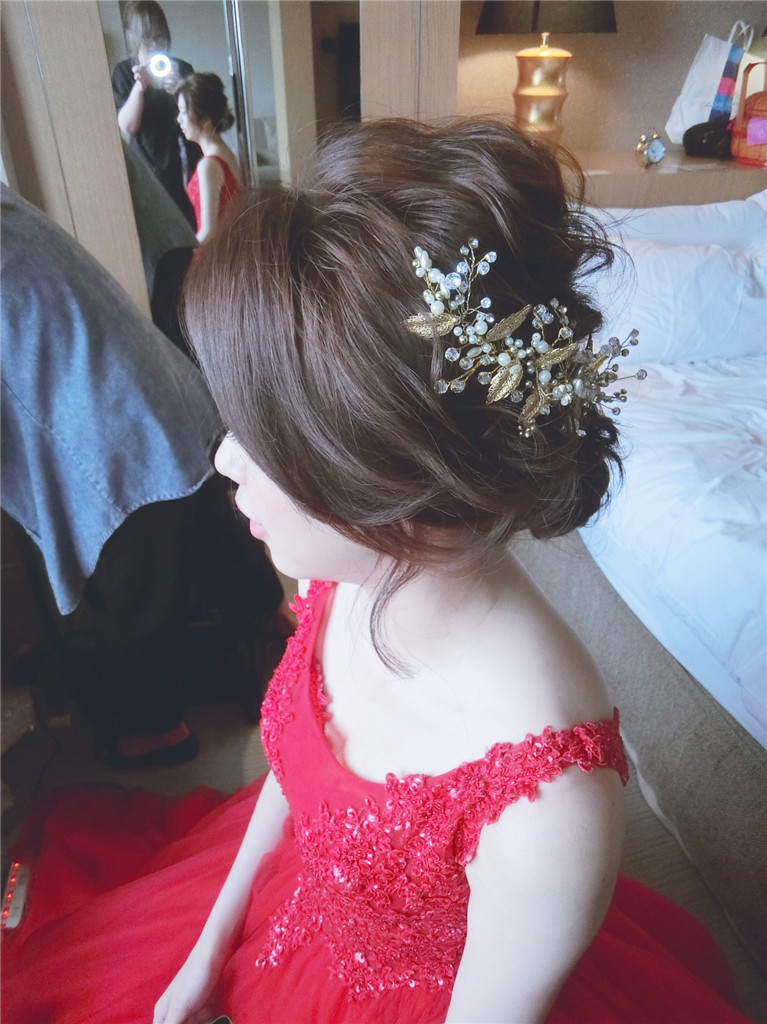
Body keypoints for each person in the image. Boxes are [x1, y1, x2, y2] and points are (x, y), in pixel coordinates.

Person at [1, 121, 750, 1024]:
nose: (225, 459)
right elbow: (296, 777)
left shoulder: (548, 806)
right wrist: (207, 947)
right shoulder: (347, 576)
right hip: (291, 922)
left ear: (391, 482)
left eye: (264, 438)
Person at [0, 185, 285, 768]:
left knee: (130, 589)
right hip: (160, 387)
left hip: (110, 429)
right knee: (212, 526)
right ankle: (276, 635)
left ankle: (157, 731)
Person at [112, 1, 199, 227]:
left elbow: (199, 120)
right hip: (149, 169)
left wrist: (181, 88)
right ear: (133, 35)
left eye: (160, 36)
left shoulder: (182, 69)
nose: (155, 43)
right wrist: (139, 88)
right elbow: (128, 126)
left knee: (192, 228)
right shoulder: (124, 73)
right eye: (147, 37)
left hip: (186, 165)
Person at [176, 73, 242, 243]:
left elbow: (209, 231)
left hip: (215, 251)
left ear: (205, 118)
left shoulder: (209, 165)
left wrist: (183, 254)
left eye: (183, 112)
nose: (179, 119)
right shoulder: (226, 153)